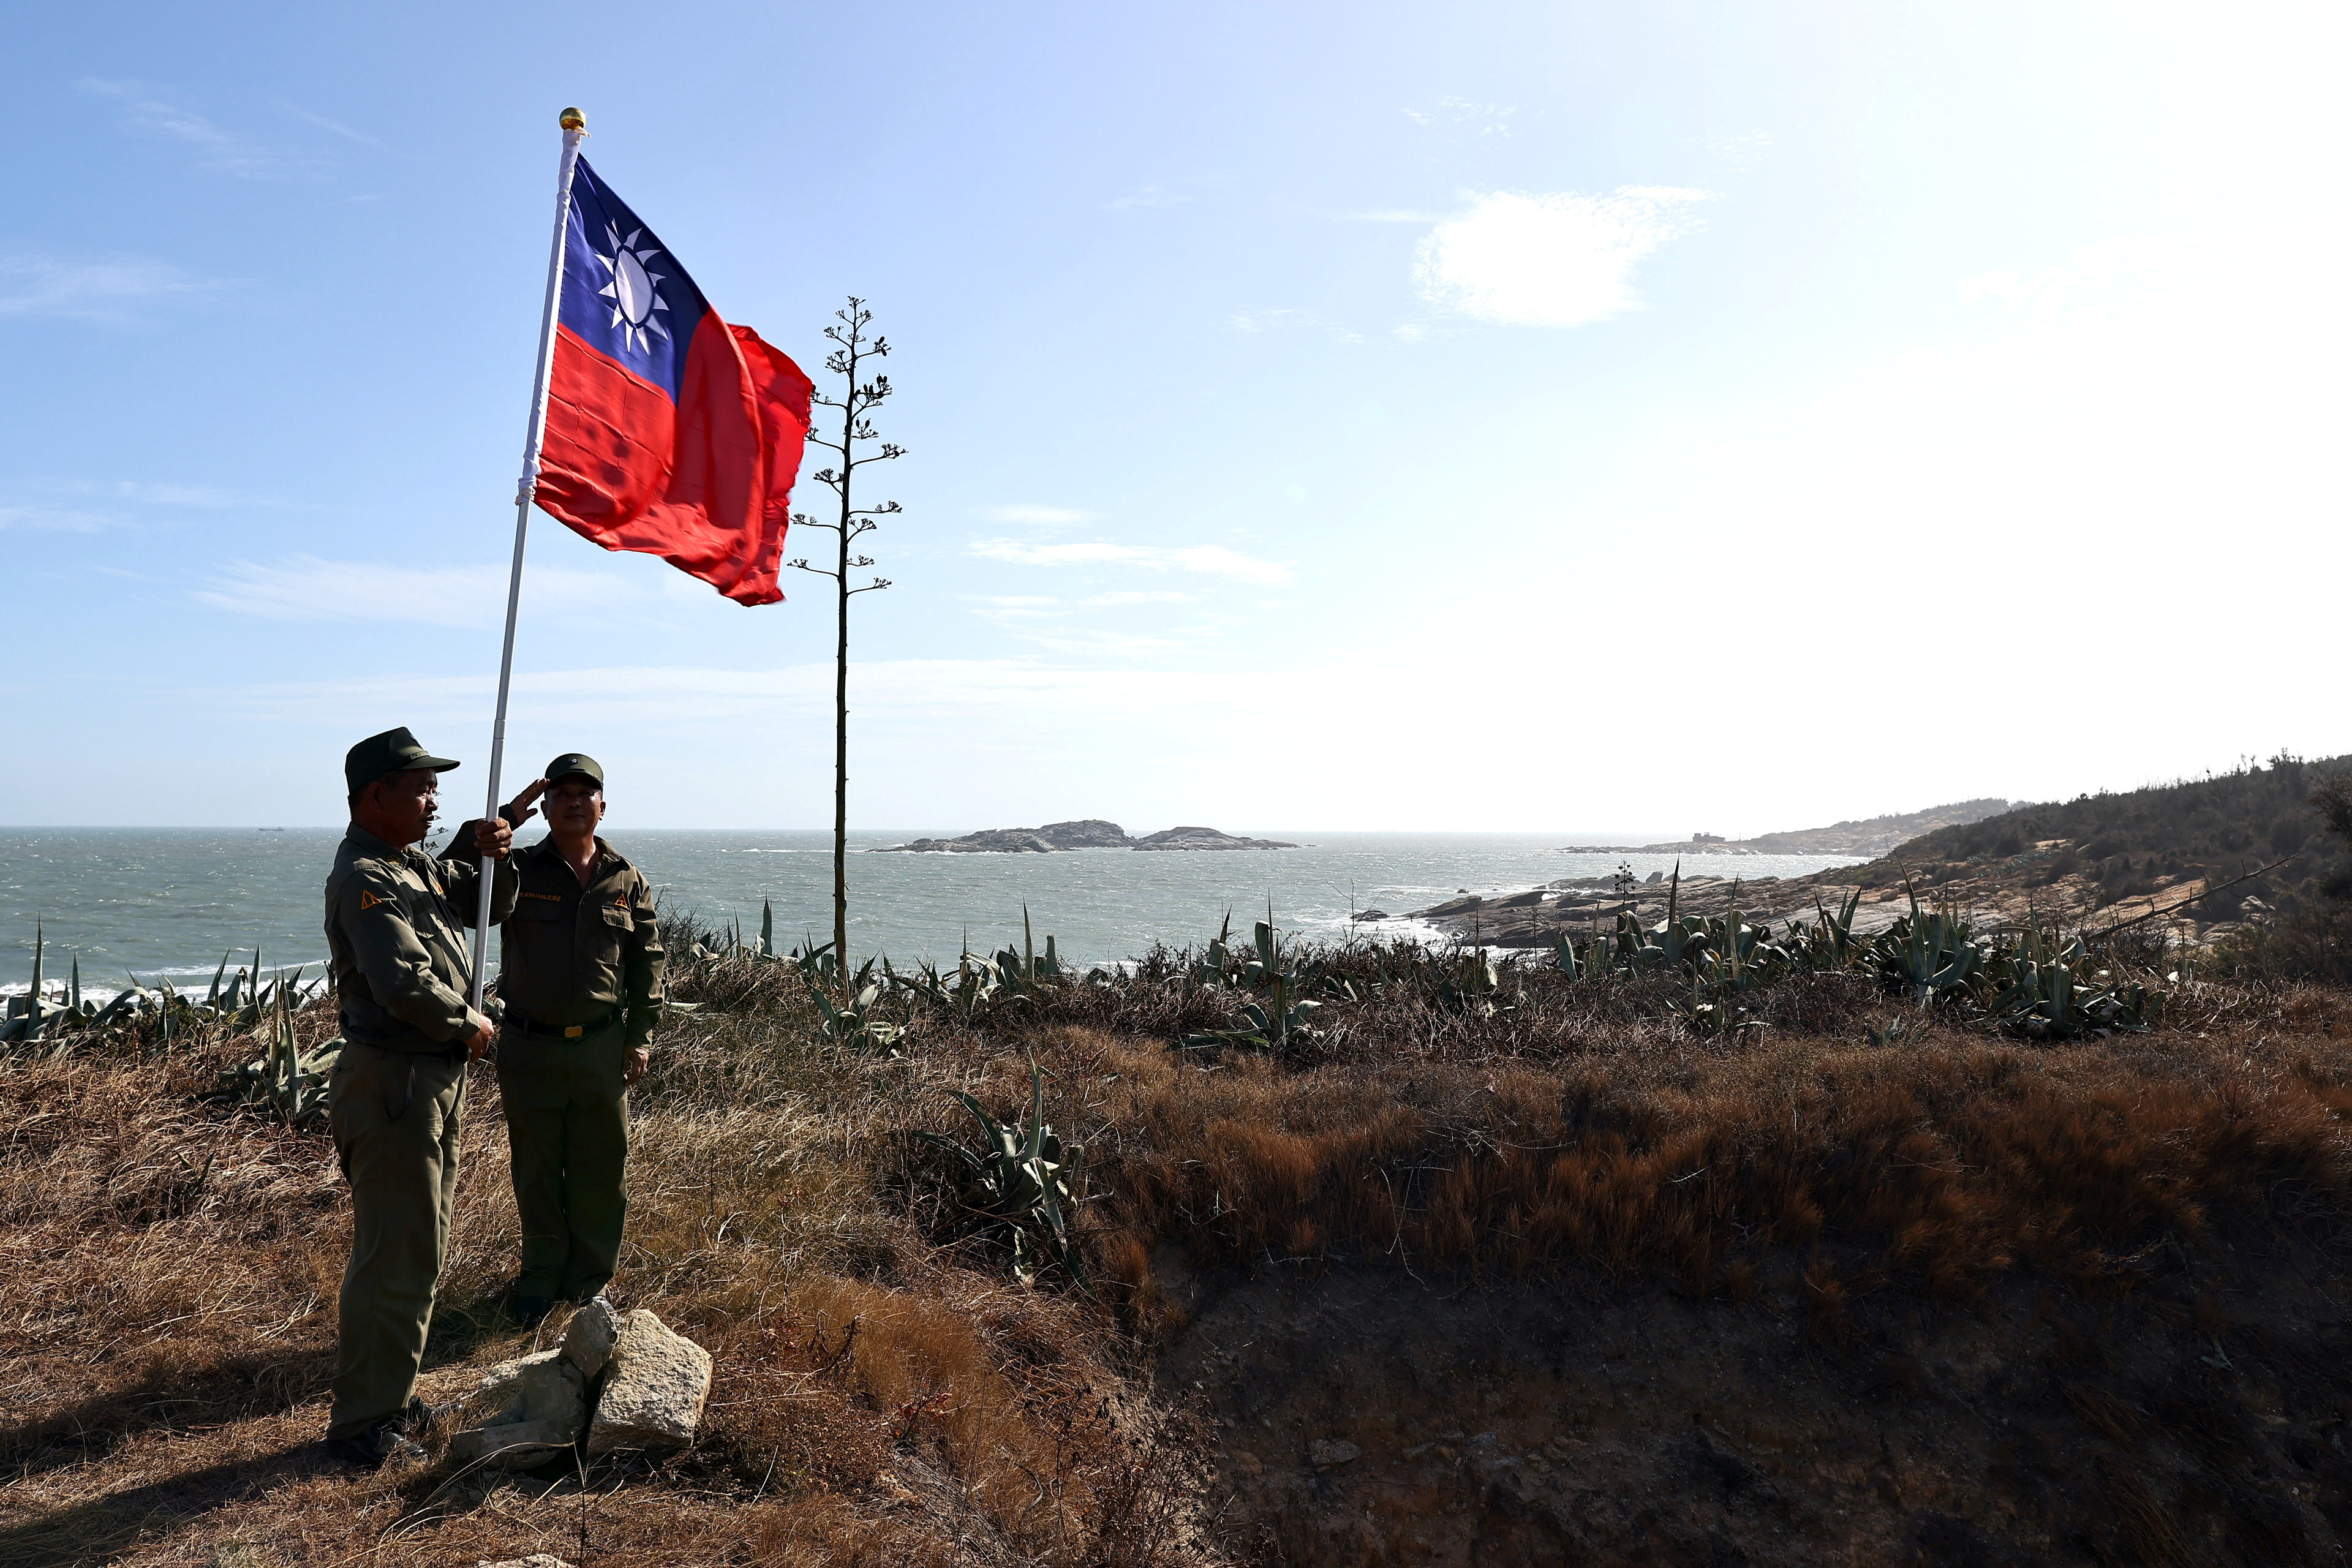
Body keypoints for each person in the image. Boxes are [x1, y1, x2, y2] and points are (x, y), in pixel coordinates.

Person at [320, 727, 543, 1470]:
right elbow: (401, 980)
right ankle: (362, 1423)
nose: (433, 797)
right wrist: (470, 1021)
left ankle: (394, 1394)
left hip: (427, 1080)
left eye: (434, 787)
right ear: (373, 795)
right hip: (393, 1079)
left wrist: (496, 842)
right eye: (420, 787)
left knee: (423, 1245)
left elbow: (483, 904)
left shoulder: (408, 863)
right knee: (394, 1253)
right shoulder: (366, 877)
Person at [464, 752, 665, 1325]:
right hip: (532, 1046)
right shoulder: (516, 867)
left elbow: (649, 963)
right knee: (537, 1168)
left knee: (602, 1168)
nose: (575, 802)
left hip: (603, 1046)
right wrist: (501, 825)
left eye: (586, 794)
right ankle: (540, 1277)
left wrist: (642, 1035)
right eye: (562, 794)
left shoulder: (626, 879)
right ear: (546, 806)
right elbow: (461, 896)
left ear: (602, 807)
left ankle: (588, 1282)